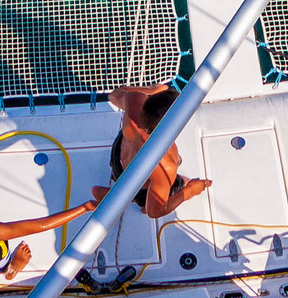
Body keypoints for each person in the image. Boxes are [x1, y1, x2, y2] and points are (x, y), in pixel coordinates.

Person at [90, 85, 212, 220]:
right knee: (185, 183)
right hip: (138, 184)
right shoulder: (166, 163)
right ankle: (137, 200)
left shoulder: (135, 99)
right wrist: (189, 192)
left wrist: (150, 91)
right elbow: (154, 212)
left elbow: (113, 95)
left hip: (118, 157)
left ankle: (119, 192)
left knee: (148, 172)